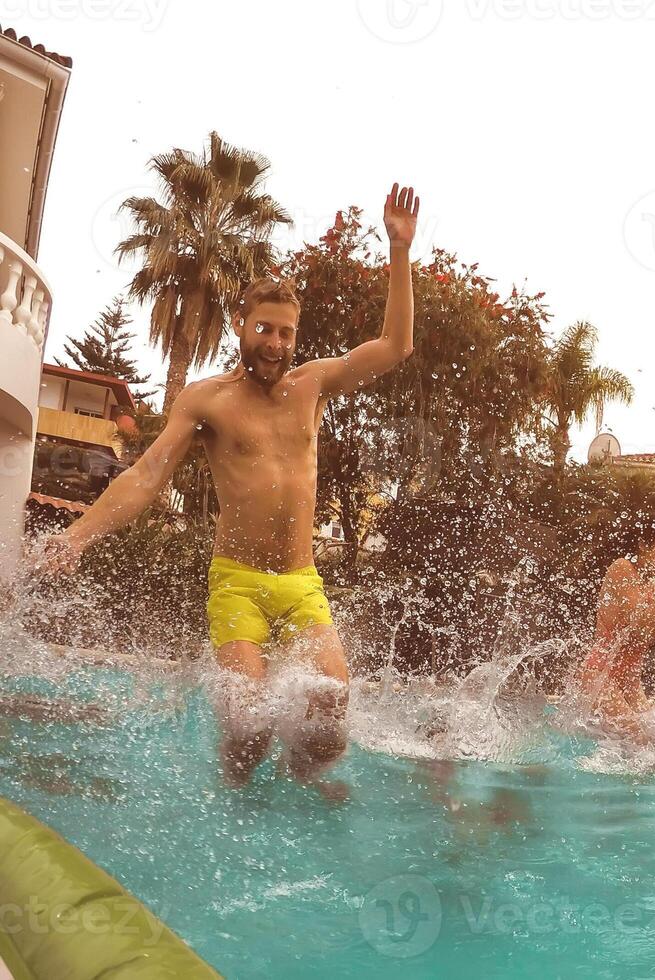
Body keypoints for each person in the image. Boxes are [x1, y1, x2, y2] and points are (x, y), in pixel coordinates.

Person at [38, 184, 421, 794]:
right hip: (238, 581)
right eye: (264, 329)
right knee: (248, 728)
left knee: (331, 709)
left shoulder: (311, 384)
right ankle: (235, 791)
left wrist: (399, 251)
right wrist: (80, 535)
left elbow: (395, 346)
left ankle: (303, 784)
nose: (274, 344)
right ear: (241, 325)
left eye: (286, 334)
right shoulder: (207, 400)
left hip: (301, 582)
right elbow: (147, 474)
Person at [575, 515, 655, 741]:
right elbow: (637, 625)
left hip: (630, 677)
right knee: (638, 740)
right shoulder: (622, 568)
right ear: (643, 545)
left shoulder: (648, 579)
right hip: (602, 674)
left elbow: (650, 635)